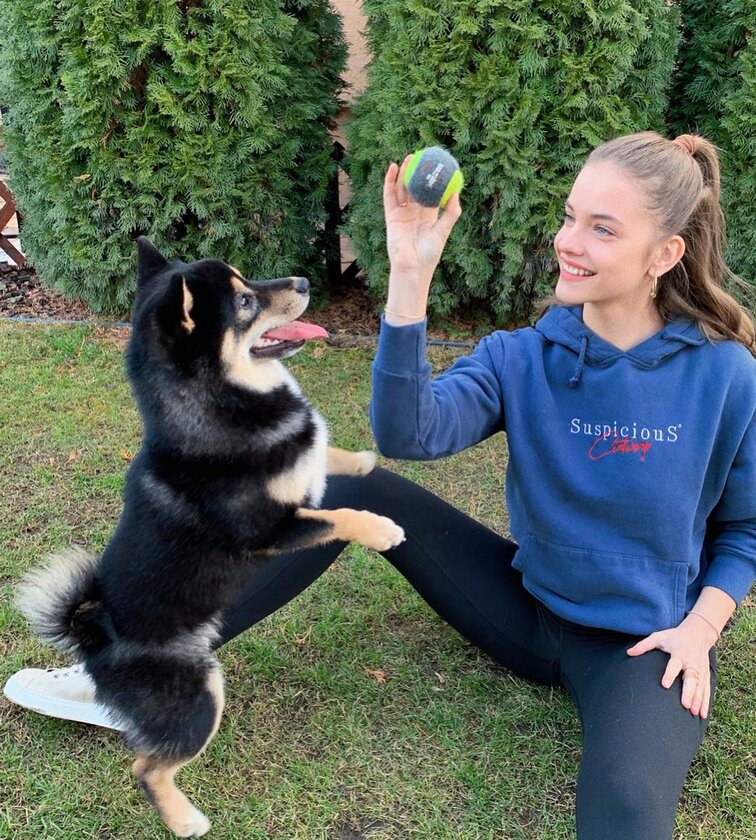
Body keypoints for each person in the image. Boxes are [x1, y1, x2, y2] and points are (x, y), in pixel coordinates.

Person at [5, 131, 755, 839]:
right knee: (341, 494)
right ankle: (130, 668)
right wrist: (409, 276)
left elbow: (745, 529)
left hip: (641, 644)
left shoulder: (725, 375)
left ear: (666, 253)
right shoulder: (523, 356)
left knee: (627, 802)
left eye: (601, 228)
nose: (567, 241)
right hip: (522, 604)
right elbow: (411, 433)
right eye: (569, 217)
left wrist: (700, 628)